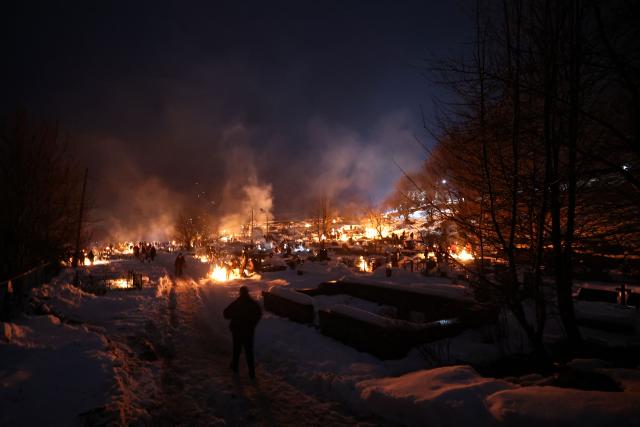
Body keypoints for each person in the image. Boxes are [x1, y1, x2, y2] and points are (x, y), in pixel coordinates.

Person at [223, 286, 262, 379]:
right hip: (248, 332)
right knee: (249, 351)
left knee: (236, 349)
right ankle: (251, 372)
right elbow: (259, 313)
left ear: (240, 293)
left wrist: (234, 316)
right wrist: (253, 324)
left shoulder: (237, 303)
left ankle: (235, 368)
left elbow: (226, 313)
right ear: (247, 293)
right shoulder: (253, 304)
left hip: (237, 331)